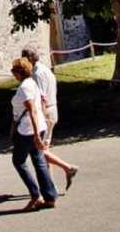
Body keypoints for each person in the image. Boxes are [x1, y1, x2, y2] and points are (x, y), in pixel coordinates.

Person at [22, 46, 78, 191]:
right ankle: (50, 186)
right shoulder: (44, 70)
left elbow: (42, 98)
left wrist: (37, 116)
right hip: (51, 110)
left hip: (46, 112)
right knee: (43, 149)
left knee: (38, 149)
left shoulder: (38, 74)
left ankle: (68, 168)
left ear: (30, 59)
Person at [10, 56, 59, 211]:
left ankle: (36, 195)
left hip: (28, 130)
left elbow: (32, 110)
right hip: (37, 128)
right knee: (39, 160)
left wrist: (37, 134)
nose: (12, 73)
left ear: (19, 72)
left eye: (13, 71)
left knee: (18, 161)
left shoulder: (25, 87)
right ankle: (50, 197)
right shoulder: (32, 83)